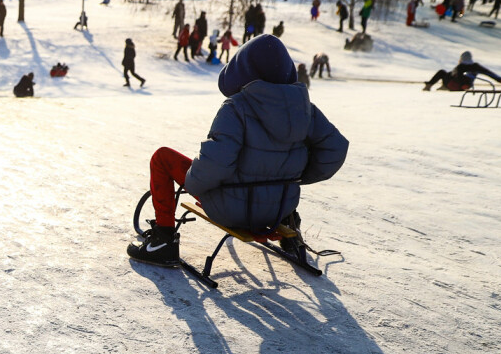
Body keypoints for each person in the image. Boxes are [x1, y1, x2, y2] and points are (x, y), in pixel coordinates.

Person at [127, 35, 349, 267]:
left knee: (162, 157)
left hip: (231, 210)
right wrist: (292, 180)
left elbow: (214, 165)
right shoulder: (306, 110)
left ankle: (163, 241)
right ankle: (289, 226)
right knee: (277, 163)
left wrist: (191, 183)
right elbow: (335, 149)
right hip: (279, 209)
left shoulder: (237, 108)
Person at [423, 51, 501, 91]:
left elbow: (457, 75)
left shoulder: (460, 66)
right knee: (449, 74)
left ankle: (429, 86)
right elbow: (487, 72)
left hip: (456, 85)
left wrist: (463, 84)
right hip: (466, 86)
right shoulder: (476, 66)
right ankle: (443, 86)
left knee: (442, 72)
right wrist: (498, 79)